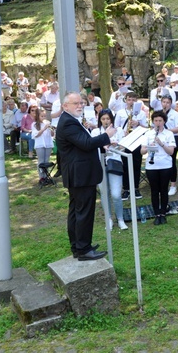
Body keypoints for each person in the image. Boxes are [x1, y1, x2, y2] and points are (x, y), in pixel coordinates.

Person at [56, 92, 115, 261]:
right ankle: (83, 249)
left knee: (77, 212)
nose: (80, 106)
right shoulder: (68, 122)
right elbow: (86, 143)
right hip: (80, 176)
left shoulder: (70, 120)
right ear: (65, 106)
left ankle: (78, 246)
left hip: (78, 174)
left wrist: (103, 146)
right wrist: (106, 136)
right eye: (76, 103)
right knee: (83, 212)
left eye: (81, 103)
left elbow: (82, 145)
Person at [91, 109, 128, 230]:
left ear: (111, 119)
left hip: (115, 162)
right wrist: (103, 143)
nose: (106, 121)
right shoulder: (96, 131)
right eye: (103, 119)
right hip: (100, 163)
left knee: (116, 194)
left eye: (108, 119)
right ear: (99, 120)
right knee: (104, 193)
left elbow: (123, 148)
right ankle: (109, 218)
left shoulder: (118, 130)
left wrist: (116, 145)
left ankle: (120, 219)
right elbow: (92, 146)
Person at [141, 111, 176, 225]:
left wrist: (161, 144)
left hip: (165, 165)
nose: (158, 123)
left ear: (164, 121)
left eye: (160, 121)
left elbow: (171, 152)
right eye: (155, 121)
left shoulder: (169, 134)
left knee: (164, 189)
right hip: (152, 166)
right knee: (154, 190)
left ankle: (163, 214)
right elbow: (142, 151)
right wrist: (148, 147)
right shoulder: (148, 134)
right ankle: (157, 214)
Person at [32, 107, 54, 186]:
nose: (44, 118)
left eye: (45, 116)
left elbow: (52, 135)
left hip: (48, 144)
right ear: (38, 116)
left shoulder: (47, 122)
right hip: (40, 144)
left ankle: (46, 176)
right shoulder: (34, 125)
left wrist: (52, 130)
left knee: (46, 160)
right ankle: (41, 177)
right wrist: (44, 128)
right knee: (41, 161)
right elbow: (36, 135)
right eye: (42, 116)